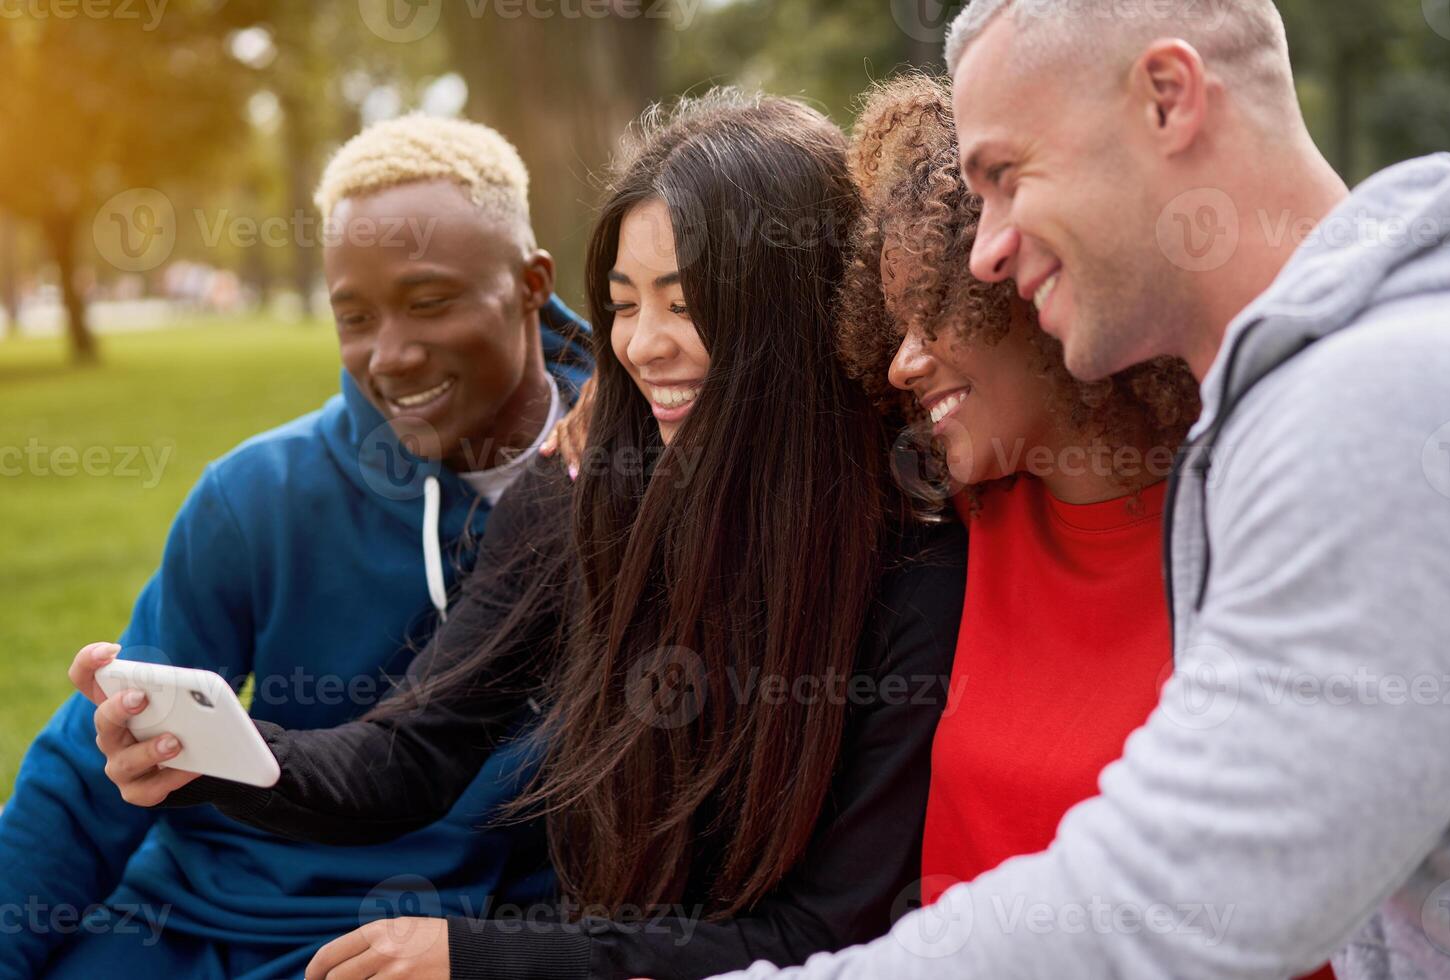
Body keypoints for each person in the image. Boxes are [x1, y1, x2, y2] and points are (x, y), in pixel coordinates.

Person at [73, 89, 969, 980]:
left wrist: (485, 958)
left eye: (685, 303)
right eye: (624, 304)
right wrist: (202, 751)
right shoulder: (580, 487)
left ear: (792, 304)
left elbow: (825, 931)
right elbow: (409, 757)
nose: (643, 345)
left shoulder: (914, 560)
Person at [711, 2, 1450, 978]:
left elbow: (1175, 899)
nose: (982, 250)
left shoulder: (1376, 398)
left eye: (1007, 177)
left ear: (1168, 98)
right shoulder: (1338, 383)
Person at [0, 115, 593, 980]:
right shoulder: (255, 497)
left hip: (445, 942)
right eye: (354, 316)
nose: (389, 354)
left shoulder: (623, 473)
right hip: (201, 918)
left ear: (532, 283)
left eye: (429, 302)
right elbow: (85, 771)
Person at [838, 70, 1334, 980]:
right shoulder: (960, 509)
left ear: (1028, 282)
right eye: (894, 323)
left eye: (932, 313)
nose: (904, 362)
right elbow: (746, 398)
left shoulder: (1260, 520)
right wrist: (595, 387)